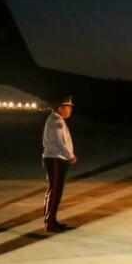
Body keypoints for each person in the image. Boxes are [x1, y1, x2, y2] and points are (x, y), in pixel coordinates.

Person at [42, 96, 78, 233]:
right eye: (68, 107)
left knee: (55, 190)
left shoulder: (57, 120)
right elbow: (61, 142)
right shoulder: (57, 121)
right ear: (61, 108)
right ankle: (50, 222)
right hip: (56, 159)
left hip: (56, 159)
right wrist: (71, 156)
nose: (70, 110)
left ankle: (52, 219)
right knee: (55, 191)